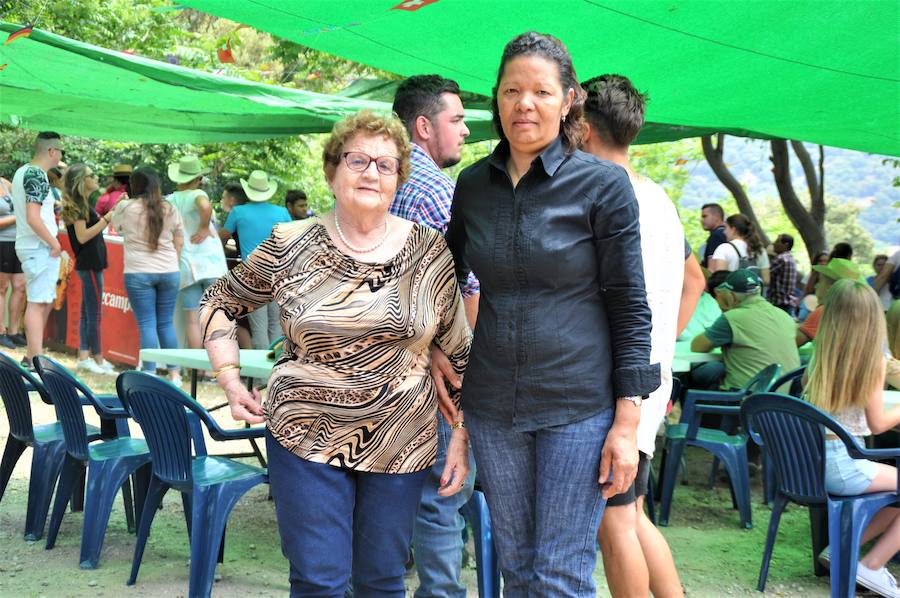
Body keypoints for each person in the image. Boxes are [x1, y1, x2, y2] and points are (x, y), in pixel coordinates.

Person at [199, 110, 472, 597]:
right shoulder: (290, 242)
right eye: (358, 159)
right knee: (319, 581)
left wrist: (460, 437)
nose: (371, 172)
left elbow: (459, 349)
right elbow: (219, 302)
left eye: (386, 165)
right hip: (305, 431)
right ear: (331, 171)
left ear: (398, 181)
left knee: (383, 581)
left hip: (402, 437)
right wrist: (229, 378)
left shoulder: (430, 250)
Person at [445, 32, 659, 597]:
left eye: (541, 91)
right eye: (512, 90)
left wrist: (627, 420)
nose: (525, 104)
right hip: (493, 408)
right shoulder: (472, 186)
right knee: (517, 569)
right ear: (495, 98)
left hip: (578, 407)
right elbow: (440, 279)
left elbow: (631, 306)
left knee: (561, 573)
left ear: (569, 100)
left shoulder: (603, 185)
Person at [581, 72, 686, 598]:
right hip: (650, 375)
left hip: (622, 385)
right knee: (634, 512)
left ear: (581, 126)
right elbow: (690, 281)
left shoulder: (611, 197)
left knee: (614, 524)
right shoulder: (658, 197)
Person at [391, 73, 476, 598]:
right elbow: (468, 288)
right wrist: (462, 366)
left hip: (392, 365)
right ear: (425, 126)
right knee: (443, 493)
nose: (465, 131)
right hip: (436, 369)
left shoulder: (387, 180)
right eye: (458, 120)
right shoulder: (435, 191)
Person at [806, 279, 900, 597]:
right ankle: (872, 565)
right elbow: (878, 425)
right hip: (847, 467)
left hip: (814, 465)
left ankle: (839, 551)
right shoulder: (872, 362)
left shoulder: (819, 359)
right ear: (874, 319)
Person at [111, 167, 184, 384]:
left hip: (138, 272)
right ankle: (175, 374)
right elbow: (179, 239)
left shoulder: (126, 207)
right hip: (169, 271)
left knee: (147, 324)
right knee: (166, 323)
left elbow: (116, 226)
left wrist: (119, 204)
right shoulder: (170, 208)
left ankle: (150, 373)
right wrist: (173, 263)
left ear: (134, 185)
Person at [690, 269, 800, 391]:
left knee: (694, 377)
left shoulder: (732, 318)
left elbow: (697, 347)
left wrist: (726, 311)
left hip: (746, 399)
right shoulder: (785, 316)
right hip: (785, 399)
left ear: (731, 296)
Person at [219, 170, 291, 350]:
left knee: (258, 328)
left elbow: (223, 236)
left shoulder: (238, 212)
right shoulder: (282, 212)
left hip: (251, 275)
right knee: (275, 326)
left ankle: (260, 377)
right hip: (278, 273)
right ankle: (273, 370)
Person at [11, 131, 64, 370]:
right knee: (37, 302)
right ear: (51, 151)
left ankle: (33, 355)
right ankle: (36, 360)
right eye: (60, 151)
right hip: (39, 246)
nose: (61, 156)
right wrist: (54, 243)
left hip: (30, 244)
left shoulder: (22, 171)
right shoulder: (36, 174)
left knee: (41, 301)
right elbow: (34, 218)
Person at [166, 156, 227, 352]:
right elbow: (205, 206)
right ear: (199, 178)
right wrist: (202, 228)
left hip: (186, 264)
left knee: (192, 320)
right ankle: (216, 364)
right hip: (212, 264)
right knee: (215, 317)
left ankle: (197, 369)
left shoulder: (171, 199)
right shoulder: (198, 194)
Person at [59, 164, 115, 375]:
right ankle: (97, 359)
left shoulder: (80, 204)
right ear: (82, 181)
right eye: (92, 175)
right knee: (94, 313)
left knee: (87, 312)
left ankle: (85, 356)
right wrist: (106, 219)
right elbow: (83, 236)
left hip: (90, 263)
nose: (96, 178)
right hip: (89, 263)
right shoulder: (78, 205)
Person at [796, 258, 865, 346]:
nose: (816, 286)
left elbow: (792, 344)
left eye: (820, 281)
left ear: (831, 287)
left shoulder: (825, 311)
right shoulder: (857, 312)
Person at [0, 174, 26, 349]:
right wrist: (19, 217)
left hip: (19, 240)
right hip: (2, 243)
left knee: (19, 286)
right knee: (2, 288)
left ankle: (13, 331)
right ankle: (1, 331)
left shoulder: (4, 182)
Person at [708, 213, 770, 284]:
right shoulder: (759, 249)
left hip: (733, 294)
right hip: (756, 293)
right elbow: (766, 280)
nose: (724, 232)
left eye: (726, 228)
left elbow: (720, 281)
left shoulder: (724, 248)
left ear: (733, 229)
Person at [767, 233, 798, 314]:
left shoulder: (781, 259)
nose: (774, 244)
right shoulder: (790, 258)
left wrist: (768, 255)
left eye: (777, 241)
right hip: (788, 303)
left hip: (779, 303)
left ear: (786, 245)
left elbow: (765, 275)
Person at [873, 245, 900, 311]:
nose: (882, 267)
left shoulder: (897, 255)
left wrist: (871, 299)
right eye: (879, 265)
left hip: (891, 308)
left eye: (884, 265)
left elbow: (883, 276)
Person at [700, 203, 726, 268]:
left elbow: (712, 268)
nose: (702, 220)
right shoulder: (727, 234)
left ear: (717, 217)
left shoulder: (716, 236)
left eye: (705, 216)